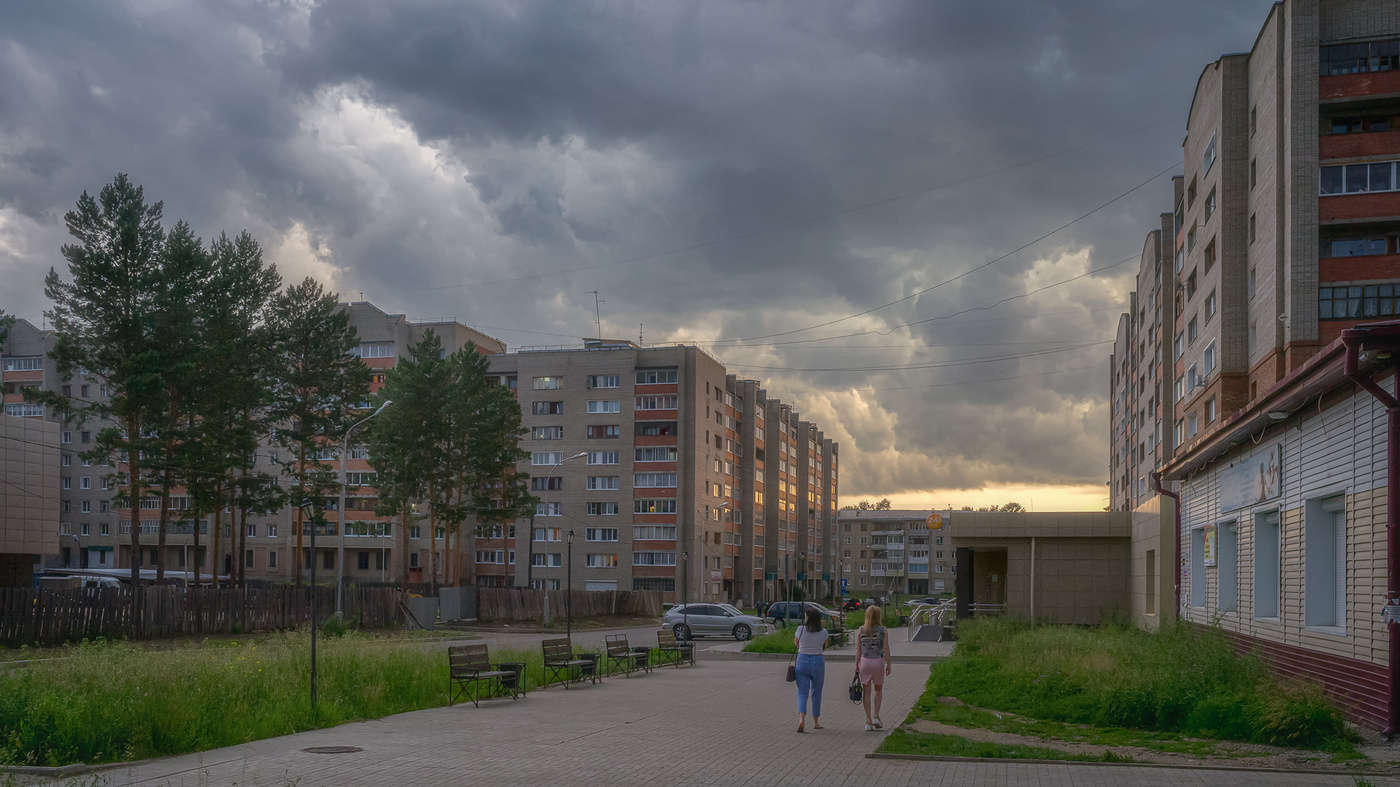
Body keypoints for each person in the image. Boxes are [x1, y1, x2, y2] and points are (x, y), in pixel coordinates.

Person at [855, 605, 891, 731]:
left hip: (865, 662)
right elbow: (885, 648)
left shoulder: (861, 630)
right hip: (878, 662)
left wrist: (856, 665)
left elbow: (859, 649)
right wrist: (889, 664)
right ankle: (876, 715)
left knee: (867, 691)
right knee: (878, 689)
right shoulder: (883, 630)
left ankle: (868, 721)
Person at [793, 607, 828, 732]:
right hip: (817, 661)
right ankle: (816, 722)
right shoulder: (823, 632)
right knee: (816, 692)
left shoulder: (800, 629)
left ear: (808, 618)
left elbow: (796, 643)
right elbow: (825, 646)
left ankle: (802, 719)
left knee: (802, 692)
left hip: (802, 661)